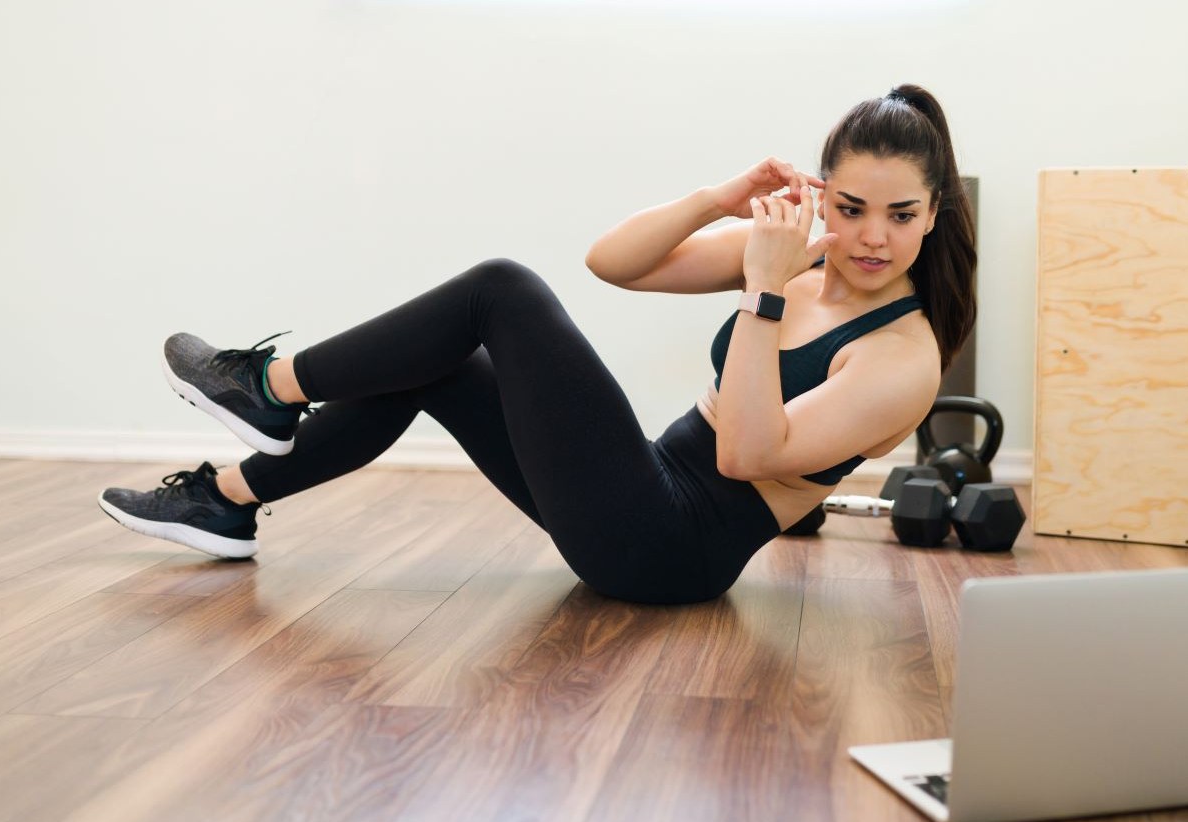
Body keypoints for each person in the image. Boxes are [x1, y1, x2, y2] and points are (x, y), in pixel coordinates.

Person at [97, 84, 977, 605]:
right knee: (437, 358)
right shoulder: (806, 257)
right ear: (824, 197)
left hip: (671, 550)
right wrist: (720, 199)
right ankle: (226, 497)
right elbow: (615, 263)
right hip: (641, 489)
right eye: (851, 208)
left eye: (900, 216)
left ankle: (268, 388)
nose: (871, 237)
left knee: (500, 289)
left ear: (934, 214)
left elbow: (750, 455)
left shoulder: (902, 358)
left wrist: (764, 290)